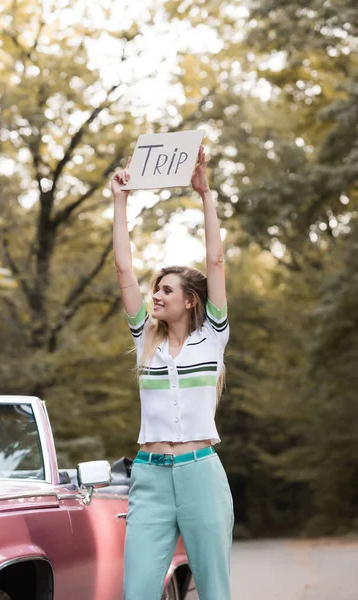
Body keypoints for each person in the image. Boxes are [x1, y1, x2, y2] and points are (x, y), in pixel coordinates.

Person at [111, 144, 234, 600]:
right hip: (150, 476)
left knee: (214, 592)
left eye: (166, 290)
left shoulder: (213, 337)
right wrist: (120, 201)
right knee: (139, 591)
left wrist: (206, 196)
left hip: (202, 473)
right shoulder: (146, 339)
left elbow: (216, 261)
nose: (155, 296)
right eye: (154, 290)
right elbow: (123, 267)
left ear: (190, 300)